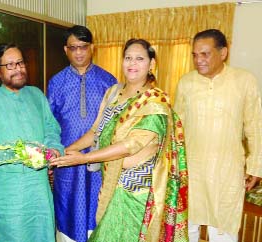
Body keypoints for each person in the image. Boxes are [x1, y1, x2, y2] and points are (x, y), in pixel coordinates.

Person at [51, 38, 189, 241]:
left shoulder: (154, 101)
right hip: (110, 184)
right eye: (128, 58)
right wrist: (65, 152)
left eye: (139, 59)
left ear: (151, 64)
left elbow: (130, 145)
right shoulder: (113, 93)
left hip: (137, 191)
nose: (132, 63)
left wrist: (84, 159)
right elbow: (94, 132)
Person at [174, 29, 262, 242]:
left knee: (223, 229)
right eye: (195, 55)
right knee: (187, 227)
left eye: (205, 54)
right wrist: (173, 165)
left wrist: (255, 166)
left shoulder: (244, 80)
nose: (198, 60)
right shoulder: (187, 82)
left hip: (227, 170)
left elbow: (255, 125)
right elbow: (177, 127)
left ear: (223, 53)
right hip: (191, 168)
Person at [0, 43, 64, 242]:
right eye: (10, 65)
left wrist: (54, 149)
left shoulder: (36, 95)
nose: (18, 69)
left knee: (43, 234)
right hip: (9, 192)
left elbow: (51, 128)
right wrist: (21, 154)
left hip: (39, 189)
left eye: (20, 63)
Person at [47, 25, 116, 242]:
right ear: (65, 50)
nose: (78, 52)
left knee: (98, 206)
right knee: (68, 207)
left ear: (92, 48)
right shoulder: (56, 82)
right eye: (73, 47)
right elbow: (50, 125)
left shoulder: (109, 81)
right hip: (67, 161)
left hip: (100, 160)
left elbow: (115, 126)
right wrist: (52, 156)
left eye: (83, 47)